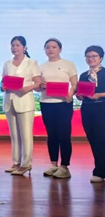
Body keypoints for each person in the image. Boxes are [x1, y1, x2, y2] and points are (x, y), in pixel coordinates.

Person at [37, 38, 77, 179]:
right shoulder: (41, 66)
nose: (50, 49)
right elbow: (37, 88)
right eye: (47, 47)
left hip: (63, 103)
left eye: (54, 47)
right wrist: (40, 86)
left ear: (60, 49)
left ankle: (64, 167)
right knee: (51, 135)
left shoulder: (68, 64)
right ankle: (53, 164)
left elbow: (74, 84)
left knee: (64, 135)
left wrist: (70, 95)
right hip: (46, 103)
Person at [2, 36, 40, 176]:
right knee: (14, 135)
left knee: (26, 134)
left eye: (17, 45)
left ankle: (26, 163)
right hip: (9, 100)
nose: (14, 48)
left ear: (24, 48)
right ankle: (16, 162)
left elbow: (38, 82)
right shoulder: (7, 63)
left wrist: (27, 88)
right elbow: (4, 81)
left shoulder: (31, 63)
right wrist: (2, 86)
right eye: (13, 45)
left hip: (24, 101)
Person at [77, 45, 105, 184]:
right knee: (93, 139)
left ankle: (99, 171)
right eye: (88, 56)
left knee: (101, 139)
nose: (91, 59)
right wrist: (79, 96)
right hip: (87, 109)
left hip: (102, 108)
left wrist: (100, 94)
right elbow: (80, 93)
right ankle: (100, 169)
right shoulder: (84, 75)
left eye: (94, 56)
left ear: (101, 58)